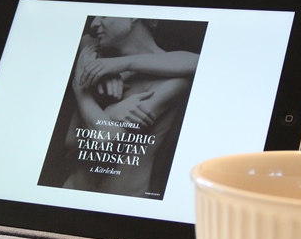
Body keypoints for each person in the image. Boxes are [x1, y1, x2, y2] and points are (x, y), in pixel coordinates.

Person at [62, 16, 199, 198]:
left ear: (134, 15)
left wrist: (81, 92)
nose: (94, 23)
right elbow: (71, 142)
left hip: (121, 203)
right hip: (71, 192)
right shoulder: (97, 61)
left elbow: (107, 139)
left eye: (104, 15)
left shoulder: (174, 80)